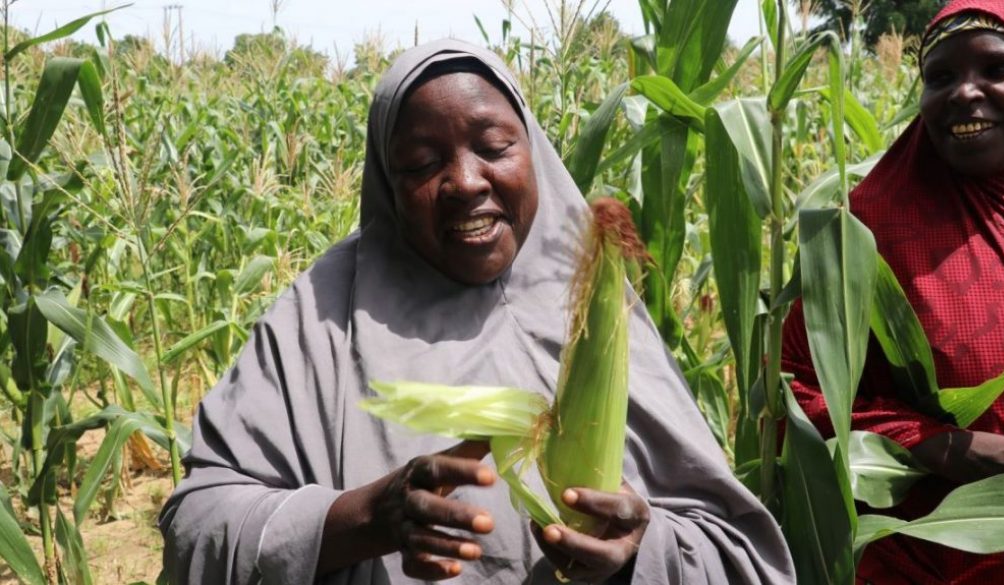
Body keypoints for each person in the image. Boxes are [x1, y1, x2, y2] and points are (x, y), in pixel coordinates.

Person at [159, 40, 794, 584]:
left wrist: (636, 556)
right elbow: (198, 527)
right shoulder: (318, 320)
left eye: (493, 147)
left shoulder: (594, 306)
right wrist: (363, 519)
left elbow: (739, 557)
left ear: (534, 152)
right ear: (388, 181)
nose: (465, 181)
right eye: (423, 164)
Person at [782, 1, 1004, 583]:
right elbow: (798, 387)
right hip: (921, 556)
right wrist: (945, 446)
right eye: (939, 77)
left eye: (997, 69)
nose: (965, 92)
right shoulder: (868, 231)